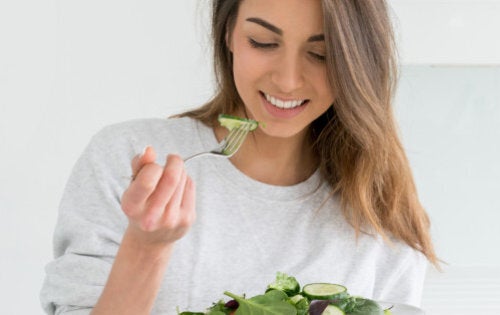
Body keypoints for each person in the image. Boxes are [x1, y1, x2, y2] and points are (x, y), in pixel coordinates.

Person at [41, 0, 439, 314]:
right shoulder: (126, 156)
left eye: (320, 54)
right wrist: (146, 248)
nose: (287, 79)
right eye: (263, 43)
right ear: (229, 32)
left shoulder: (378, 209)